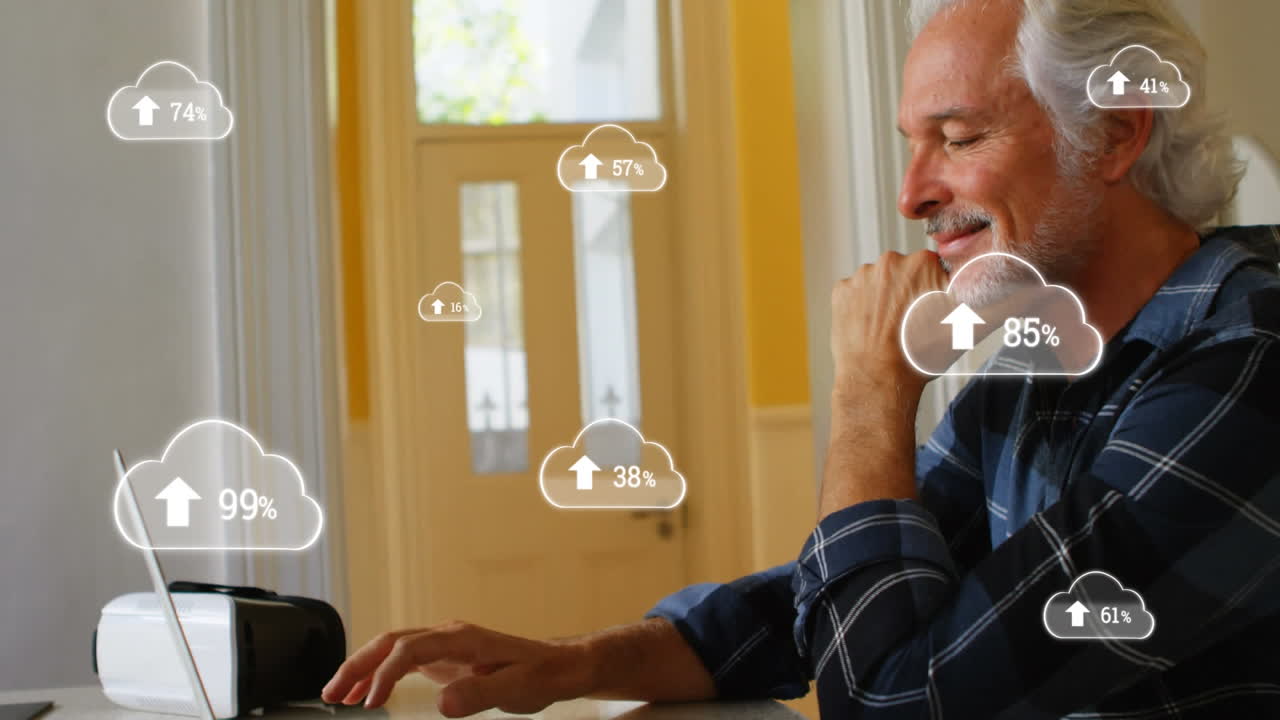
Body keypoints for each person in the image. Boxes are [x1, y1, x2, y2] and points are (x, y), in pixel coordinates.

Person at [322, 0, 1280, 716]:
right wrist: (580, 663)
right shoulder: (1037, 371)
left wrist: (870, 389)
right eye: (912, 144)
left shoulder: (1251, 361)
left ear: (1113, 131)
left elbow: (892, 695)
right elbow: (849, 607)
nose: (911, 194)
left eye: (958, 137)